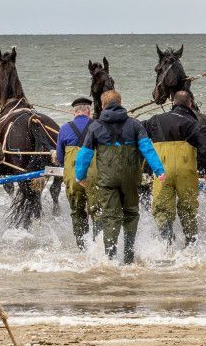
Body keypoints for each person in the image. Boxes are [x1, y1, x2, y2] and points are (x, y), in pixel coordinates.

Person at [75, 90, 166, 263]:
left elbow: (84, 154)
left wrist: (80, 175)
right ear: (121, 102)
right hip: (130, 179)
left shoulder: (94, 126)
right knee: (131, 213)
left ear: (102, 105)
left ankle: (110, 257)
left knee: (110, 216)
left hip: (107, 180)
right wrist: (159, 171)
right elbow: (147, 149)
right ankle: (129, 257)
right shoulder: (135, 125)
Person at [144, 90, 206, 246]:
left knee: (162, 209)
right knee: (188, 209)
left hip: (161, 171)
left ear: (173, 103)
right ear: (190, 104)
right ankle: (190, 245)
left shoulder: (155, 120)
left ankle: (167, 244)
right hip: (186, 171)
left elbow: (138, 133)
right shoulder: (194, 124)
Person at [56, 97, 96, 247]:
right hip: (95, 178)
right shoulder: (97, 126)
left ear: (75, 112)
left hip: (73, 178)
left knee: (77, 212)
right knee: (97, 211)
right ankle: (98, 246)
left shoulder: (65, 128)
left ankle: (82, 246)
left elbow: (60, 158)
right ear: (88, 111)